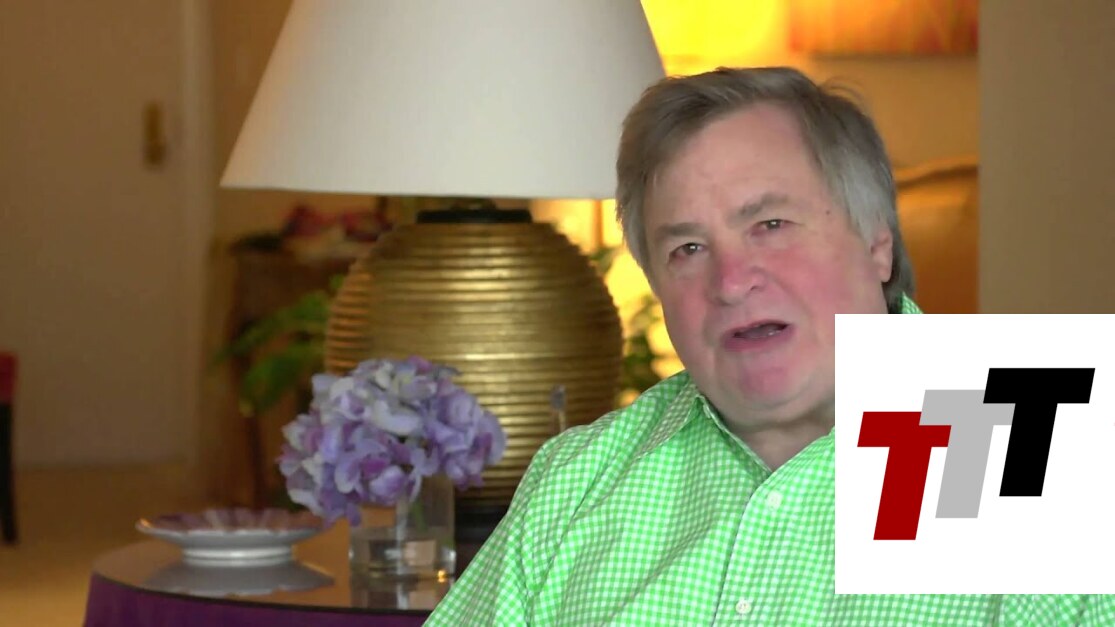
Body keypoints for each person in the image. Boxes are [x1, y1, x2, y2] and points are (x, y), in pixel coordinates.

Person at [424, 67, 1113, 625]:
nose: (731, 282)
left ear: (877, 242)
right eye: (687, 248)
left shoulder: (1033, 436)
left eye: (771, 225)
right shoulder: (579, 478)